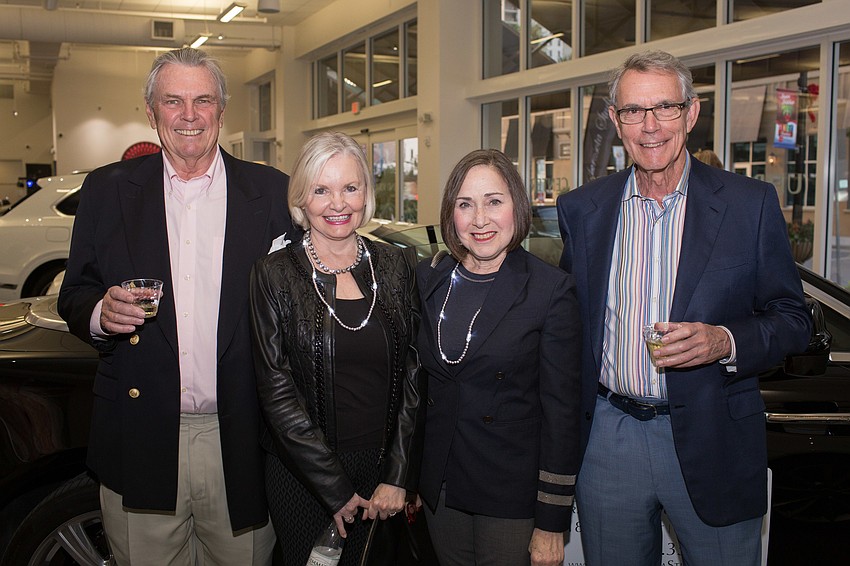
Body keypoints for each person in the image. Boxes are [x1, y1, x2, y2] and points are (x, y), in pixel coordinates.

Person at [557, 50, 811, 566]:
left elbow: (793, 318)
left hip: (713, 432)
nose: (649, 126)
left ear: (691, 114)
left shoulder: (749, 203)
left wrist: (725, 341)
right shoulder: (583, 209)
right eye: (633, 111)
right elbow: (569, 322)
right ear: (615, 119)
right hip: (609, 437)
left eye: (665, 108)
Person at [58, 48, 297, 565]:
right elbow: (74, 293)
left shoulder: (272, 192)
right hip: (140, 435)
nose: (189, 115)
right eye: (173, 101)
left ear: (220, 110)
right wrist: (101, 313)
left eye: (202, 100)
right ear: (151, 111)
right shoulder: (106, 190)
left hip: (243, 440)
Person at [249, 131, 423, 566]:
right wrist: (335, 488)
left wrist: (398, 475)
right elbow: (276, 390)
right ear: (301, 199)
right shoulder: (273, 274)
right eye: (321, 190)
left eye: (350, 187)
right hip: (304, 477)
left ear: (366, 193)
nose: (338, 203)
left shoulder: (397, 265)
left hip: (385, 472)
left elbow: (415, 375)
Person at [416, 149, 582, 566]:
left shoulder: (550, 290)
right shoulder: (430, 279)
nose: (480, 219)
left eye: (494, 201)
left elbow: (562, 415)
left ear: (517, 207)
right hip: (441, 491)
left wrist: (551, 522)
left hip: (512, 495)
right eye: (465, 204)